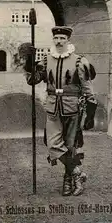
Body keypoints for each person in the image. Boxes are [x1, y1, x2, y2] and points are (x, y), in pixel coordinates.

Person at [19, 26, 97, 196]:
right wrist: (29, 62)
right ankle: (78, 173)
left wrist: (90, 114)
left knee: (70, 146)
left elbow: (87, 88)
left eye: (62, 38)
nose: (59, 41)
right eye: (56, 38)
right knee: (54, 144)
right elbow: (33, 80)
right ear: (53, 40)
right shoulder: (47, 61)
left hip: (73, 107)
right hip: (53, 107)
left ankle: (68, 181)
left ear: (68, 40)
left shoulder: (79, 61)